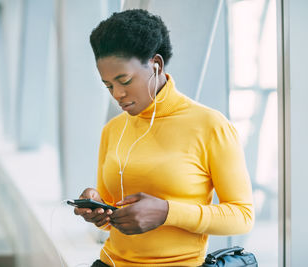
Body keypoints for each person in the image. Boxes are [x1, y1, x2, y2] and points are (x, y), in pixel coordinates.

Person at [73, 9, 254, 267]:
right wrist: (99, 210)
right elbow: (114, 217)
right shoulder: (112, 129)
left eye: (125, 80)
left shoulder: (211, 126)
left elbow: (242, 215)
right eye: (109, 85)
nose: (118, 94)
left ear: (155, 64)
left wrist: (167, 212)